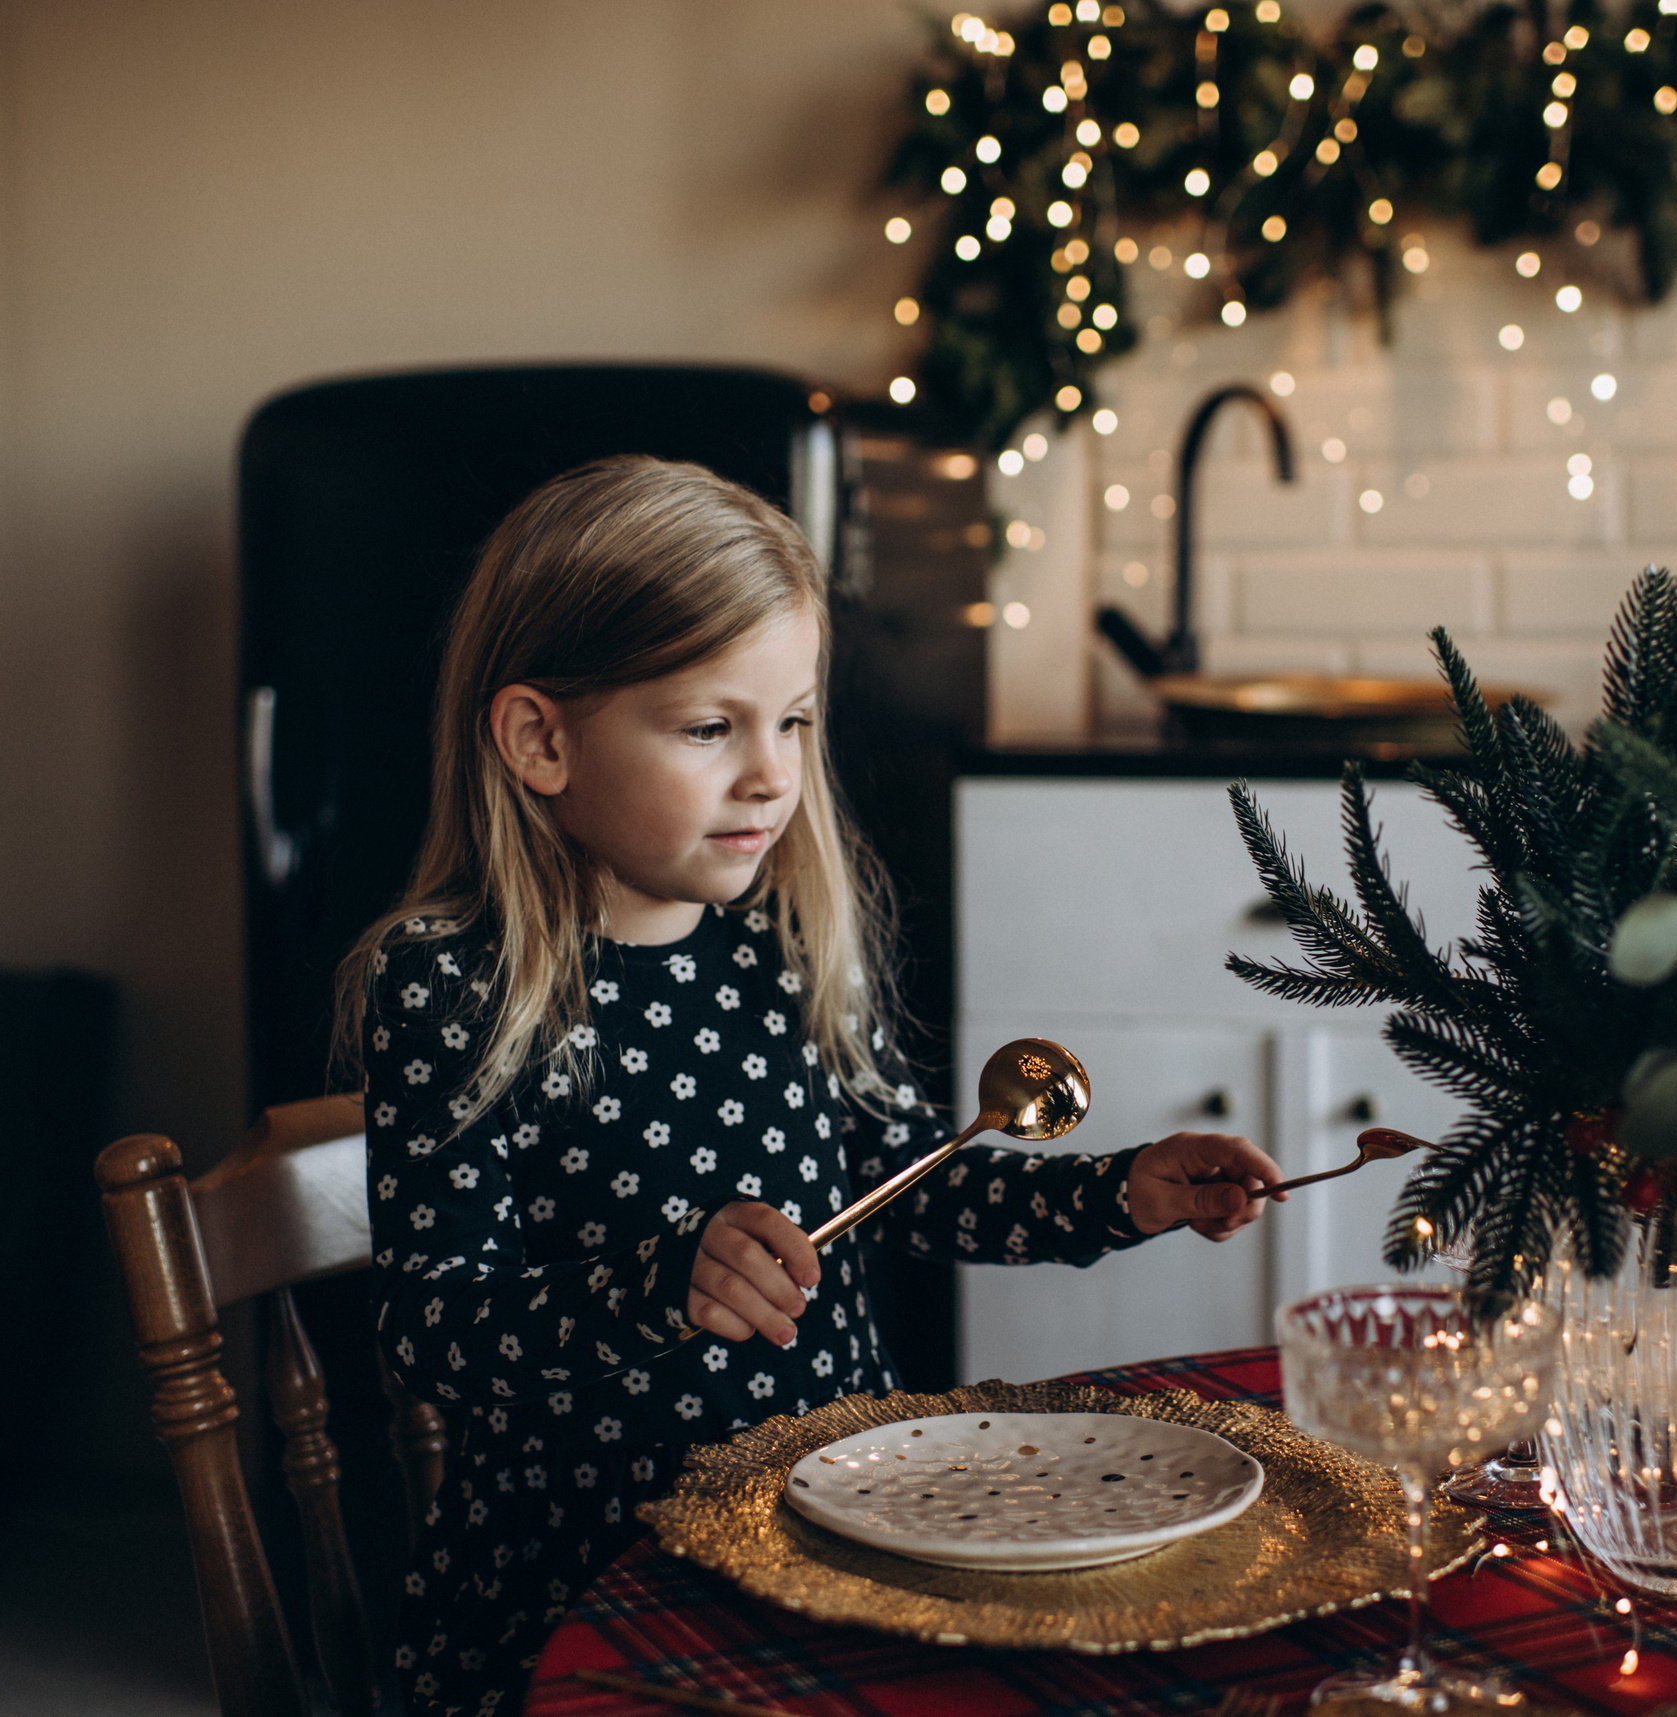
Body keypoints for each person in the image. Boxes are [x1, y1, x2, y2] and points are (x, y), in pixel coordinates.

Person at [335, 456, 1284, 1717]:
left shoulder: (782, 942)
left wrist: (1116, 1194)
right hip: (592, 1581)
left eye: (791, 721)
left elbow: (907, 1185)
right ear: (540, 740)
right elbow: (434, 1329)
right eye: (708, 728)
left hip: (831, 1531)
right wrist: (660, 1283)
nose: (771, 775)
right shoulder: (449, 981)